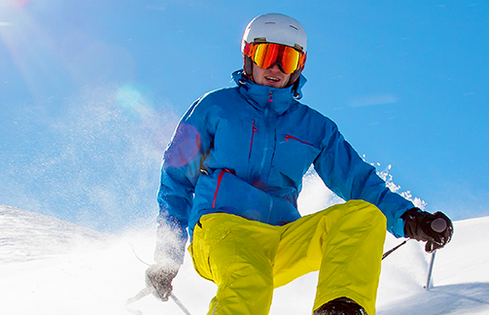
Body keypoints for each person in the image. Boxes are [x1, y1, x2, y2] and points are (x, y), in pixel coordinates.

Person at [146, 13, 453, 315]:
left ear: (299, 68)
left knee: (364, 216)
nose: (276, 68)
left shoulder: (315, 128)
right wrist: (167, 258)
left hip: (282, 237)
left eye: (287, 60)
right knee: (250, 280)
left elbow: (358, 181)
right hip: (222, 232)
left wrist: (411, 218)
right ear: (249, 57)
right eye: (268, 55)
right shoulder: (215, 107)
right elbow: (176, 180)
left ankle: (340, 308)